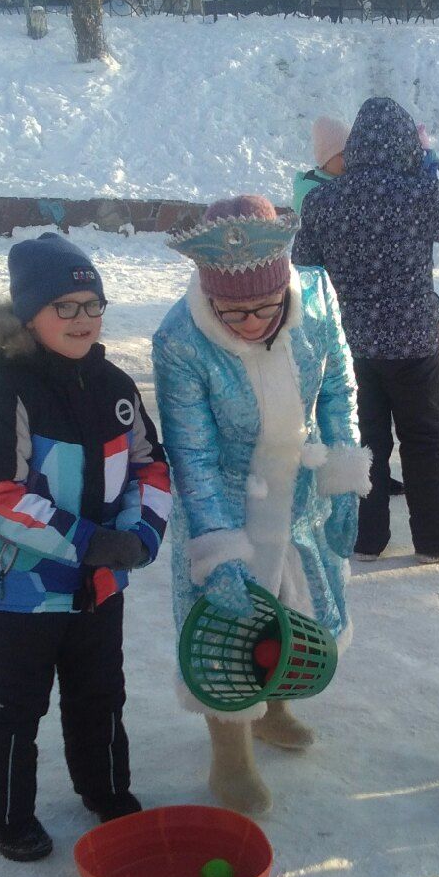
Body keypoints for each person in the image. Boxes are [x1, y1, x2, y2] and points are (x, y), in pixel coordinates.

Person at [0, 232, 172, 860]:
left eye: (92, 304)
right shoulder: (6, 392)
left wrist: (142, 533)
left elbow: (150, 467)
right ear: (30, 315)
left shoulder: (113, 387)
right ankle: (4, 815)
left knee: (100, 688)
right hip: (22, 583)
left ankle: (105, 789)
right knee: (17, 698)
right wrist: (89, 541)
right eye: (65, 306)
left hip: (100, 582)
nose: (82, 319)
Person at [153, 195, 370, 816]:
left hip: (297, 489)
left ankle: (274, 709)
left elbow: (336, 386)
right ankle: (230, 752)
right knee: (228, 628)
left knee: (295, 604)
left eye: (264, 309)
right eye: (232, 311)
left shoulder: (317, 297)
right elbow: (189, 455)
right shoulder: (179, 339)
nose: (249, 323)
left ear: (285, 289)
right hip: (223, 495)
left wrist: (343, 470)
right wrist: (217, 550)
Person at [293, 96, 439, 562]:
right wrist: (425, 180)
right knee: (424, 441)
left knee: (363, 441)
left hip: (350, 343)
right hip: (413, 340)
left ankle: (367, 537)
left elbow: (303, 265)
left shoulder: (323, 199)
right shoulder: (417, 193)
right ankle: (436, 539)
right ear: (405, 145)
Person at [292, 115, 349, 213]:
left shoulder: (344, 182)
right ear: (326, 158)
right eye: (342, 154)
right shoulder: (310, 192)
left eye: (350, 153)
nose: (348, 159)